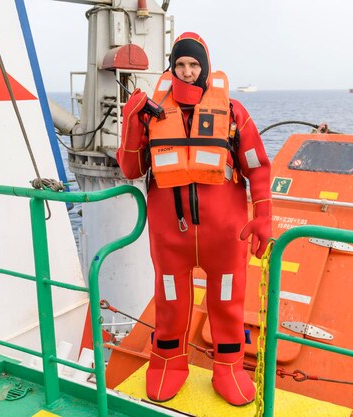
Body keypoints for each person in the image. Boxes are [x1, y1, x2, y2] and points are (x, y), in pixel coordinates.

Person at [116, 32, 272, 406]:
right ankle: (168, 361)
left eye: (193, 65)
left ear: (204, 67)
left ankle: (230, 367)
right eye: (180, 65)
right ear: (172, 68)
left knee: (227, 301)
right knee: (170, 301)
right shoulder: (152, 114)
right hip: (171, 238)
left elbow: (257, 167)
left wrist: (264, 215)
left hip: (225, 236)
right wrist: (132, 122)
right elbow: (130, 168)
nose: (187, 72)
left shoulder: (233, 112)